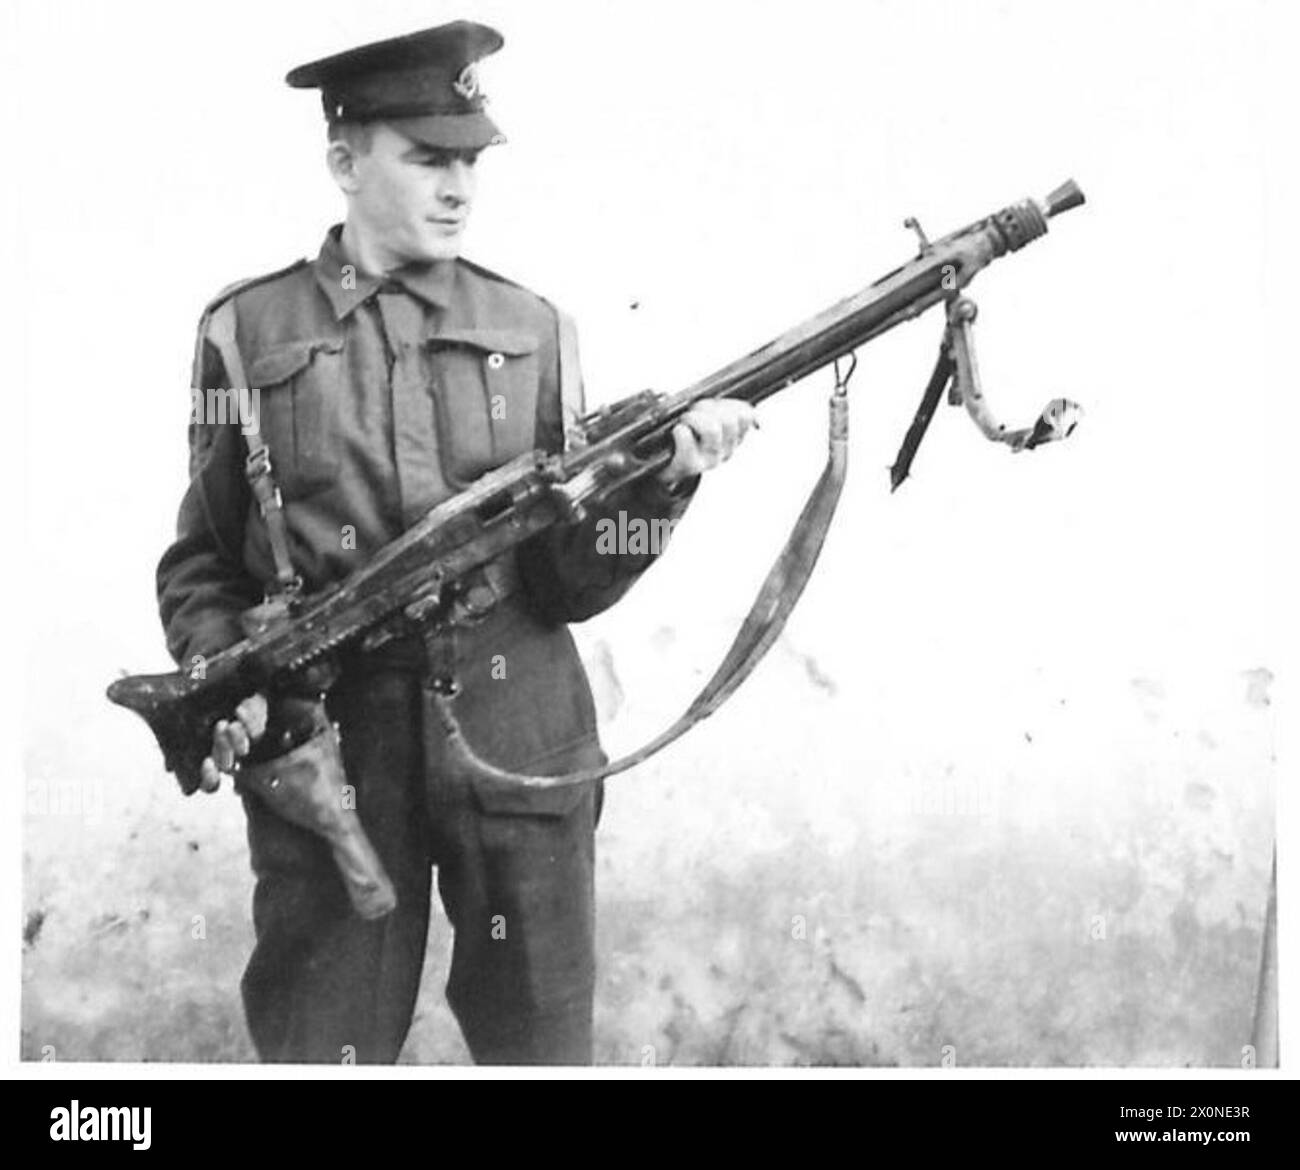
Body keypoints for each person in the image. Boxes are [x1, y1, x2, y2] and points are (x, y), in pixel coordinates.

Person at [156, 20, 756, 1064]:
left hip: (519, 729)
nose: (457, 187)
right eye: (426, 157)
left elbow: (568, 581)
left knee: (538, 1042)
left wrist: (666, 485)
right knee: (322, 1040)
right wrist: (226, 681)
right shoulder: (243, 333)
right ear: (344, 160)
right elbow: (204, 557)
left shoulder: (534, 326)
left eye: (470, 160)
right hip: (335, 744)